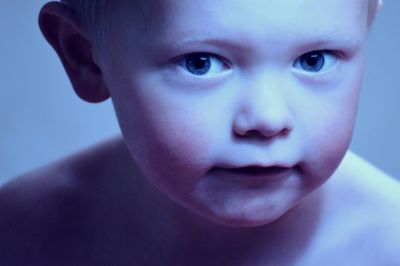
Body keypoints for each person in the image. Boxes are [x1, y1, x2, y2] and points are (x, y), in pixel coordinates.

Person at [1, 0, 399, 265]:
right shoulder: (20, 232)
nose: (268, 118)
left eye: (313, 61)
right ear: (84, 57)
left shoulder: (389, 243)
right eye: (201, 63)